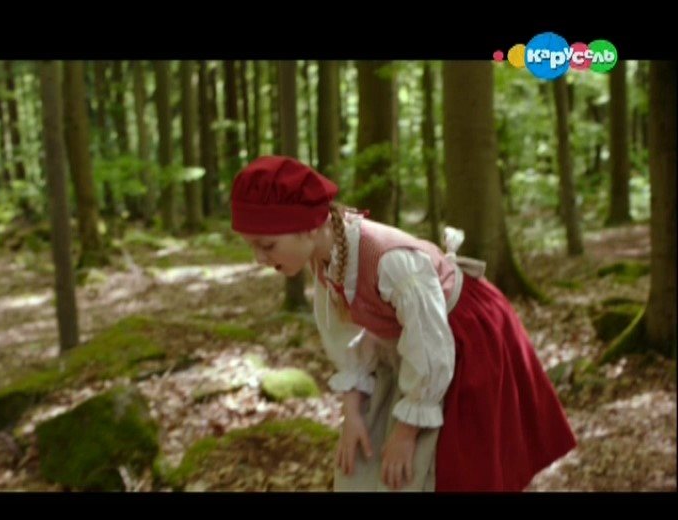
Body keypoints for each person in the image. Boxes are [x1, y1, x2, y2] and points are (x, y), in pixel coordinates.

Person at [230, 155, 577, 492]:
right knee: (370, 467)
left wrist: (406, 432)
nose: (259, 258)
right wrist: (352, 412)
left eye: (267, 245)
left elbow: (430, 344)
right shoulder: (326, 261)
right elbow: (349, 341)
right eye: (251, 247)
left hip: (467, 337)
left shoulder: (390, 261)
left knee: (460, 467)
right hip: (412, 346)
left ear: (308, 227)